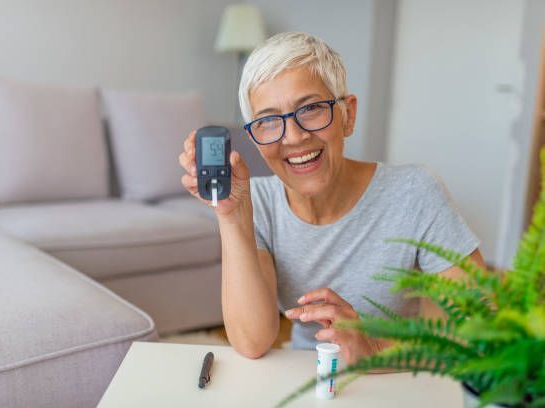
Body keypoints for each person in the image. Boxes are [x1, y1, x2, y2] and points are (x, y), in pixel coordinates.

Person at [178, 32, 485, 364]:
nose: (294, 137)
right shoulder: (259, 202)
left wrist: (374, 350)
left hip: (399, 375)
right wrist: (231, 215)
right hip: (306, 377)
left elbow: (480, 330)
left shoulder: (414, 193)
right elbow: (252, 342)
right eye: (267, 121)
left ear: (348, 115)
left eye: (310, 109)